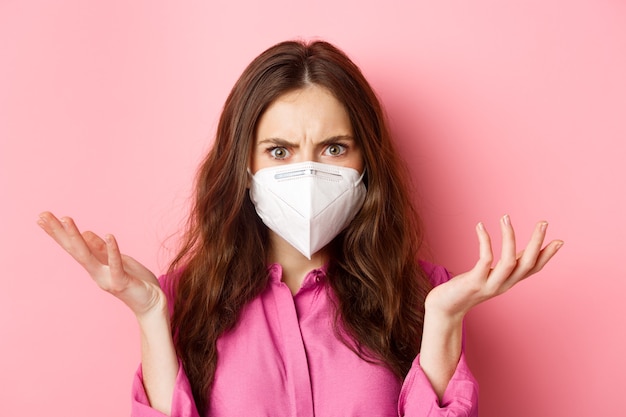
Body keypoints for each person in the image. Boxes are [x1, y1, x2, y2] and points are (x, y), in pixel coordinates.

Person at [37, 40, 563, 417]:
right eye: (280, 151)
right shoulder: (185, 296)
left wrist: (444, 318)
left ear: (364, 163)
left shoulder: (425, 291)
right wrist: (152, 314)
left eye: (334, 148)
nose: (307, 170)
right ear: (244, 166)